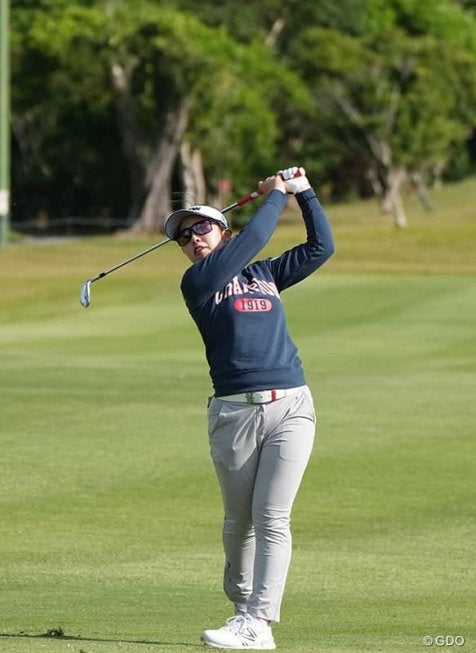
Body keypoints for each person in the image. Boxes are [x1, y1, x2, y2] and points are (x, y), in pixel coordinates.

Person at [162, 167, 334, 649]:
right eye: (183, 235)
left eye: (201, 227)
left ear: (223, 229)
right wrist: (276, 197)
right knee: (239, 521)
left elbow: (322, 248)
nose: (193, 239)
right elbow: (256, 235)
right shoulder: (198, 282)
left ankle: (259, 622)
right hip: (234, 414)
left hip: (291, 405)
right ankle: (241, 608)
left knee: (272, 516)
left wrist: (304, 193)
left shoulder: (264, 274)